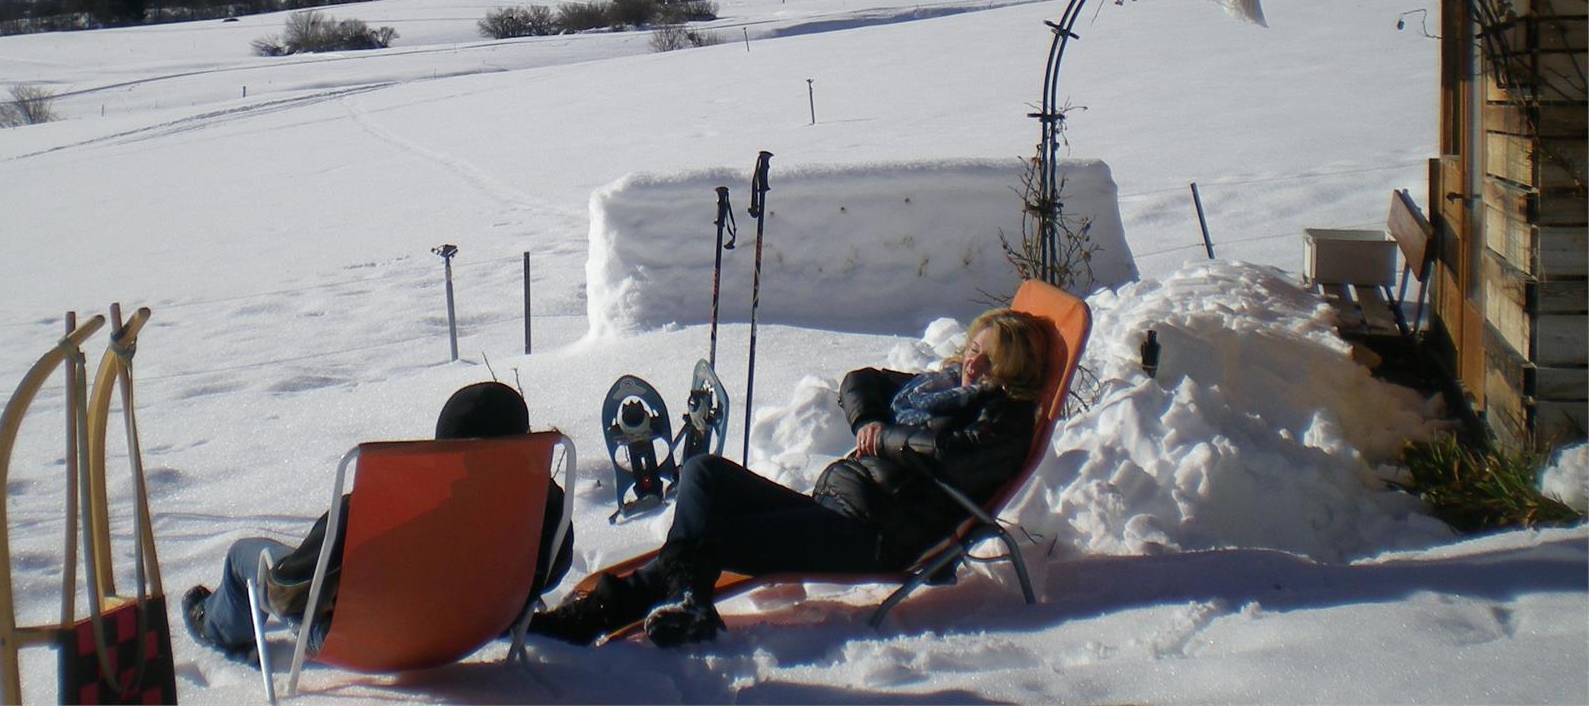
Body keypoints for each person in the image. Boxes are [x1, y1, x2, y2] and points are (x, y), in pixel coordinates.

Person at [533, 307, 1047, 648]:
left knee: (710, 537)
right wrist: (870, 420)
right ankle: (685, 599)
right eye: (973, 348)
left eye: (990, 356)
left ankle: (600, 615)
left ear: (1014, 369)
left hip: (876, 535)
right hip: (838, 507)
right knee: (703, 472)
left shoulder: (1004, 419)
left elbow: (953, 455)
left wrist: (885, 438)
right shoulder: (937, 388)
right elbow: (861, 381)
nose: (973, 362)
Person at [183, 381, 573, 657]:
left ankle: (214, 626)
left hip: (368, 643)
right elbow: (551, 573)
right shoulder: (542, 505)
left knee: (245, 558)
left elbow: (289, 590)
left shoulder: (383, 513)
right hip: (476, 630)